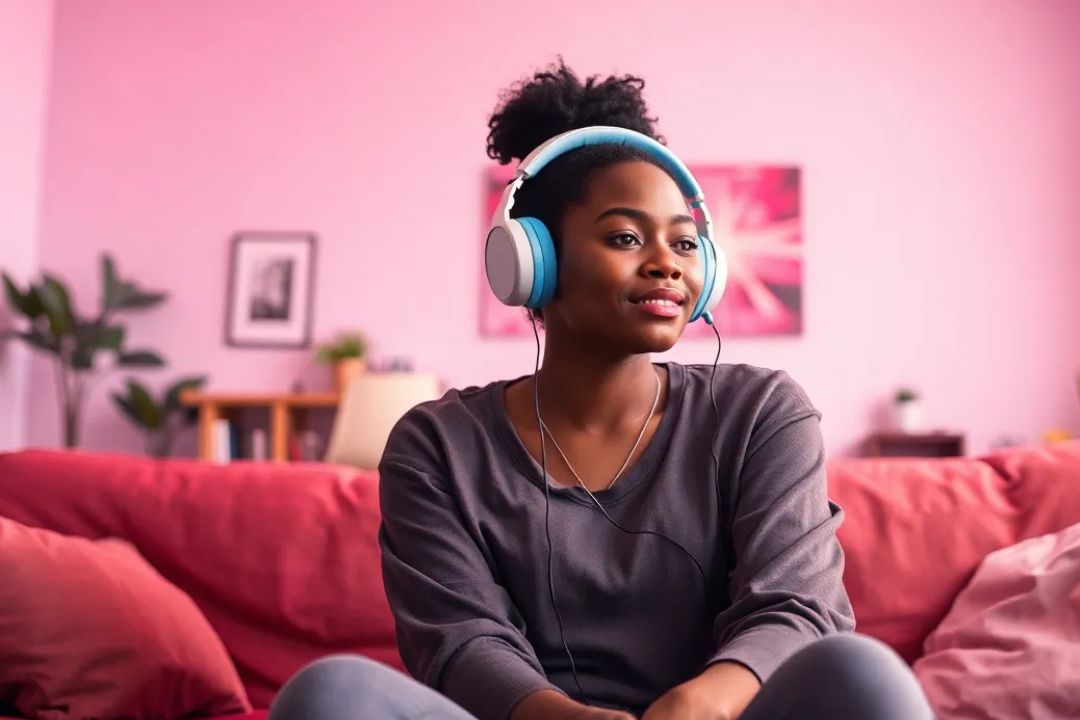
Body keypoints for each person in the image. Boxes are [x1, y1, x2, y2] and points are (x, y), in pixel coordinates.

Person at [268, 59, 934, 720]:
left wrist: (700, 704)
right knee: (329, 694)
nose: (667, 262)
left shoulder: (762, 414)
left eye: (684, 243)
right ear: (533, 262)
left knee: (861, 671)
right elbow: (460, 638)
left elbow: (794, 604)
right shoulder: (437, 445)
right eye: (625, 236)